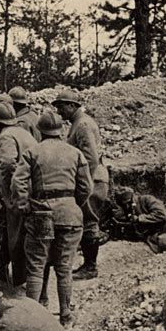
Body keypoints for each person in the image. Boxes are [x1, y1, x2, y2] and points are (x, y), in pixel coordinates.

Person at [12, 111, 93, 325]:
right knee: (64, 268)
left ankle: (34, 317)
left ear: (40, 131)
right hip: (70, 214)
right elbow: (87, 187)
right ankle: (66, 315)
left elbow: (17, 182)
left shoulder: (32, 152)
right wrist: (72, 202)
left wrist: (24, 205)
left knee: (37, 266)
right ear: (61, 130)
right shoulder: (75, 153)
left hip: (41, 213)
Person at [52, 90, 109, 279]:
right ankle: (88, 265)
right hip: (92, 178)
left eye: (61, 107)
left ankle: (90, 267)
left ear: (72, 106)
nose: (59, 112)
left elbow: (91, 158)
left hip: (93, 179)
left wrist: (84, 183)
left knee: (89, 221)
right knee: (86, 221)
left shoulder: (83, 125)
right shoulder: (79, 123)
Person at [0, 102, 37, 285]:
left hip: (21, 192)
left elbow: (8, 164)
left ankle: (19, 281)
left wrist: (8, 192)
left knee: (16, 235)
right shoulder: (23, 133)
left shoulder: (6, 136)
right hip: (34, 190)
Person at [113, 187, 166, 252]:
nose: (127, 206)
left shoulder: (146, 199)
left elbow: (161, 215)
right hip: (162, 231)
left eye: (129, 203)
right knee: (164, 242)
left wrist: (139, 218)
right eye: (124, 205)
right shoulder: (127, 211)